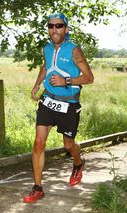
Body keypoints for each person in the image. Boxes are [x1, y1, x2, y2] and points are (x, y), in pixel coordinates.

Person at [23, 13, 94, 203]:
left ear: (66, 29)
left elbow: (89, 78)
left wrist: (66, 81)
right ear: (48, 29)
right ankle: (38, 188)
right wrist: (37, 84)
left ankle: (78, 164)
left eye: (59, 26)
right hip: (48, 100)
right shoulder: (46, 48)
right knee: (38, 143)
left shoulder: (74, 50)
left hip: (69, 104)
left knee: (68, 145)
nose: (55, 29)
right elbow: (46, 67)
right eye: (51, 26)